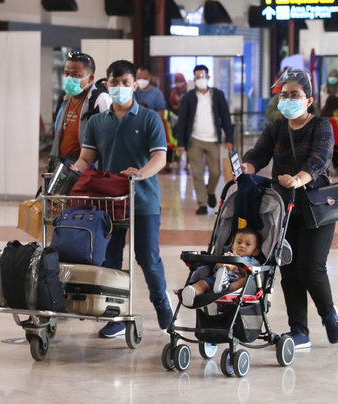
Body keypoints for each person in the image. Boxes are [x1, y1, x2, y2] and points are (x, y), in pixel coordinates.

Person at [240, 69, 338, 349]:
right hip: (283, 208)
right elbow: (259, 153)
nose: (288, 99)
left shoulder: (321, 125)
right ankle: (299, 331)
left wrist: (299, 178)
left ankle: (328, 313)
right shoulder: (277, 127)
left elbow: (320, 158)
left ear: (308, 100)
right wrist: (247, 166)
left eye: (294, 95)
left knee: (311, 267)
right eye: (284, 95)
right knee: (289, 269)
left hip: (316, 207)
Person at [72, 59, 173, 337]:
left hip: (143, 201)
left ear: (135, 85)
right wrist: (72, 171)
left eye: (125, 83)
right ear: (106, 84)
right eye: (114, 83)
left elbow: (160, 158)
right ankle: (115, 314)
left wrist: (139, 174)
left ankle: (163, 306)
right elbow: (86, 158)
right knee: (110, 259)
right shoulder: (96, 122)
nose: (119, 88)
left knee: (147, 258)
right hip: (108, 203)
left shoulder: (150, 118)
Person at [176, 64, 234, 215]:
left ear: (208, 77)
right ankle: (202, 204)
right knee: (197, 173)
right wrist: (180, 143)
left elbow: (226, 117)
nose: (200, 79)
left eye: (202, 76)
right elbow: (182, 120)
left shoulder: (218, 95)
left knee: (215, 172)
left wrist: (229, 138)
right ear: (193, 79)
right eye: (197, 77)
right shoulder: (188, 97)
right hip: (194, 140)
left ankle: (210, 192)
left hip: (213, 139)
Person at [50, 51, 111, 166]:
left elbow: (110, 140)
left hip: (89, 170)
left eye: (75, 75)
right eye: (66, 73)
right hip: (62, 167)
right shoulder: (64, 99)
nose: (68, 78)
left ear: (90, 78)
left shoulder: (100, 100)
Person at [180, 227, 262, 307]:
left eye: (247, 244)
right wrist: (223, 264)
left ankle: (225, 287)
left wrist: (239, 264)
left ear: (255, 252)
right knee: (203, 283)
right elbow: (216, 267)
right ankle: (192, 292)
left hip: (235, 282)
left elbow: (248, 273)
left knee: (246, 280)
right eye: (239, 242)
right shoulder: (228, 255)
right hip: (216, 280)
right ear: (233, 246)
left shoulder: (252, 261)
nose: (242, 246)